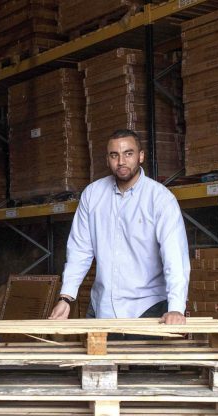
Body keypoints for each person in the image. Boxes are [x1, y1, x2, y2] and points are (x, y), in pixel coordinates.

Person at [49, 129, 190, 325]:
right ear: (107, 159)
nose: (121, 161)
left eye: (128, 153)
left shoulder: (160, 199)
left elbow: (174, 256)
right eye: (114, 155)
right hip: (101, 308)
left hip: (146, 309)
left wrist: (176, 308)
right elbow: (79, 250)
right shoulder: (92, 195)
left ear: (141, 156)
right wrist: (66, 298)